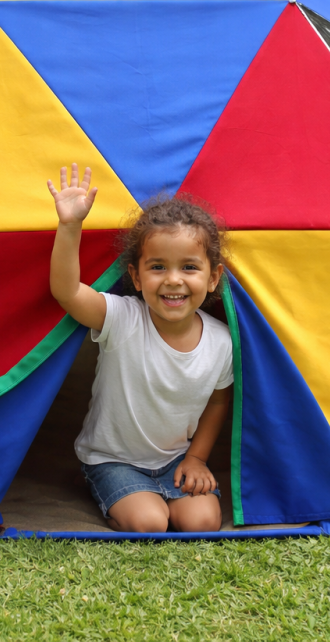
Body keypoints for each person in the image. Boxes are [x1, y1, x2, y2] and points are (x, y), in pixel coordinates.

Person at [47, 164, 233, 533]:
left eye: (190, 267)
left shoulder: (221, 342)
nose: (173, 280)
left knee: (204, 521)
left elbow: (217, 401)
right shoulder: (122, 318)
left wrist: (196, 459)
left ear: (213, 278)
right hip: (112, 460)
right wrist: (70, 226)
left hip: (175, 459)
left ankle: (161, 490)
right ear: (136, 276)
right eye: (158, 267)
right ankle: (110, 493)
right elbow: (67, 292)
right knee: (150, 522)